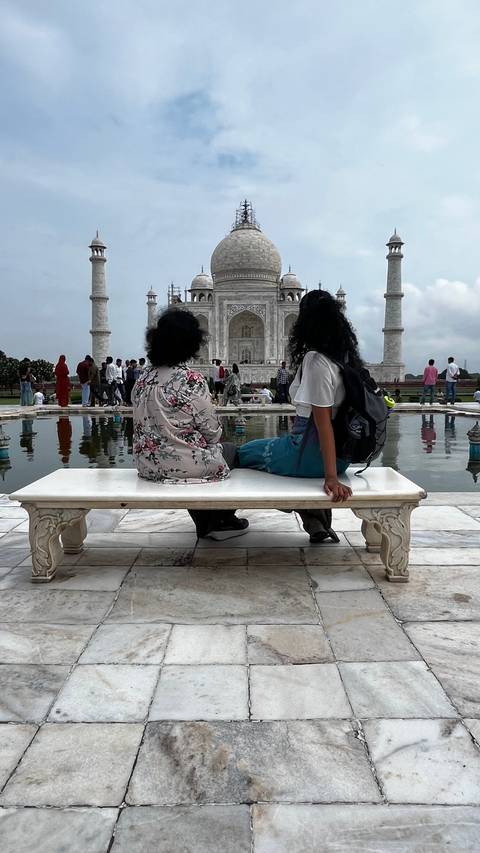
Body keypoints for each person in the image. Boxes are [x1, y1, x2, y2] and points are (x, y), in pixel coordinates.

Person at [237, 289, 356, 542]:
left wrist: (331, 478)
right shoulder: (344, 359)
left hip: (309, 454)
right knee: (266, 456)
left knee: (242, 453)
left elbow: (323, 425)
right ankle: (316, 522)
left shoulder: (316, 360)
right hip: (341, 456)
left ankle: (221, 519)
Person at [132, 308, 249, 540]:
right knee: (231, 451)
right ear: (191, 343)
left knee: (198, 457)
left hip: (148, 465)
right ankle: (220, 520)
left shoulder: (142, 380)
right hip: (183, 468)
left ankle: (211, 522)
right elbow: (213, 432)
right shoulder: (190, 380)